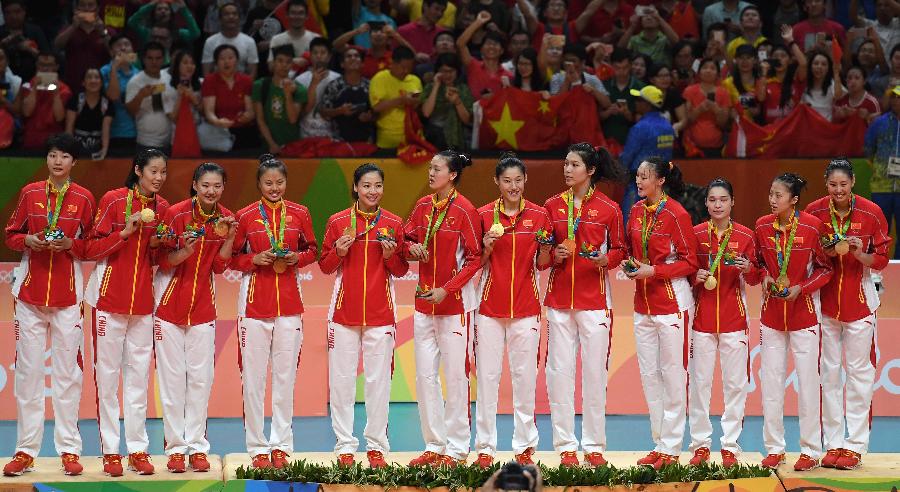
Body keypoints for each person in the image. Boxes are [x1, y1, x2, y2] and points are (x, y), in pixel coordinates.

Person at [2, 134, 95, 477]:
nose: (58, 161)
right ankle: (25, 451)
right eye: (53, 155)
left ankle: (69, 450)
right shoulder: (30, 193)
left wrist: (71, 244)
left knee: (68, 374)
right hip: (29, 295)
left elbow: (92, 245)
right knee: (28, 374)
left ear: (74, 162)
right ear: (47, 159)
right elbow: (11, 234)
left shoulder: (84, 198)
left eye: (64, 156)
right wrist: (28, 239)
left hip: (68, 297)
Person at [84, 148, 170, 476]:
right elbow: (91, 248)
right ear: (138, 171)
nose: (159, 177)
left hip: (143, 305)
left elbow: (158, 258)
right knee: (107, 380)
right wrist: (124, 232)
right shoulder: (114, 200)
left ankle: (137, 450)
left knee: (138, 380)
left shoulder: (163, 208)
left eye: (163, 172)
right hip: (108, 301)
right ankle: (110, 451)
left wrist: (162, 243)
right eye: (153, 171)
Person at [231, 155, 318, 469]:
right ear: (259, 184)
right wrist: (253, 260)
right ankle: (257, 447)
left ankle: (281, 445)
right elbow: (230, 259)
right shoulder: (245, 216)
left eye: (279, 182)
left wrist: (297, 258)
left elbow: (313, 250)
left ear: (286, 183)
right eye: (268, 183)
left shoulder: (300, 213)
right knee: (253, 381)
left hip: (289, 306)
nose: (274, 188)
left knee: (285, 379)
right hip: (254, 305)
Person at [319, 163, 409, 468]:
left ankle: (377, 447)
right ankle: (344, 446)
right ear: (356, 187)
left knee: (378, 383)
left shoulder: (394, 223)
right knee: (342, 382)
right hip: (343, 315)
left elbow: (401, 269)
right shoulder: (337, 222)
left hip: (381, 315)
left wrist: (390, 256)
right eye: (367, 185)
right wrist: (339, 252)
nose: (373, 191)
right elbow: (325, 266)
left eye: (378, 185)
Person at [805, 159, 891, 470]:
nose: (838, 190)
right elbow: (807, 256)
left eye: (843, 184)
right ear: (825, 184)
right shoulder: (814, 212)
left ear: (853, 182)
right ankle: (833, 443)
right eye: (833, 185)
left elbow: (881, 259)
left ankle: (855, 445)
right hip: (825, 305)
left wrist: (859, 253)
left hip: (860, 303)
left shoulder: (872, 212)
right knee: (828, 375)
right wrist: (825, 252)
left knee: (859, 375)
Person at [543, 144, 626, 468]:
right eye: (565, 163)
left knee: (594, 376)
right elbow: (542, 254)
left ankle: (593, 447)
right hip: (559, 301)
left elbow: (620, 249)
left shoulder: (609, 209)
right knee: (559, 375)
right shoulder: (551, 206)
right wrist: (554, 255)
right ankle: (565, 447)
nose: (567, 169)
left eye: (574, 165)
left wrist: (607, 259)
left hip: (595, 303)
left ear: (590, 171)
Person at [471, 153, 553, 468]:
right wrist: (486, 246)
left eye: (518, 180)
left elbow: (543, 264)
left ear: (525, 180)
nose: (513, 186)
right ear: (497, 182)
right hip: (489, 310)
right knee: (487, 380)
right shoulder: (482, 215)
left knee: (525, 380)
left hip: (527, 308)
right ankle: (485, 448)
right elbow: (475, 263)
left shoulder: (540, 215)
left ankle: (525, 446)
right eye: (507, 181)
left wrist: (546, 249)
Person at [154, 162, 235, 473]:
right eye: (205, 185)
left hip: (203, 309)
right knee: (172, 381)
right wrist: (183, 252)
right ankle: (176, 448)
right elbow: (161, 260)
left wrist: (229, 239)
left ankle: (198, 447)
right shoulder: (175, 214)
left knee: (201, 381)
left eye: (217, 186)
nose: (211, 191)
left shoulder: (226, 219)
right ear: (195, 186)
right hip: (168, 308)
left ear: (223, 188)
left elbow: (220, 267)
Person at [404, 150, 481, 467]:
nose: (431, 172)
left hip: (456, 308)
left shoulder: (465, 210)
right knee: (425, 378)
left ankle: (458, 448)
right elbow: (405, 239)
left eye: (437, 168)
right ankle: (434, 444)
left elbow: (475, 259)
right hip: (424, 305)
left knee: (456, 378)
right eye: (430, 168)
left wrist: (447, 289)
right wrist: (411, 247)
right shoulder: (422, 206)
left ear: (452, 175)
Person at [624, 157, 698, 469]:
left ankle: (671, 447)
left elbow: (690, 262)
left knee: (673, 376)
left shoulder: (677, 214)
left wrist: (653, 271)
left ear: (661, 180)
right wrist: (631, 266)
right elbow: (633, 251)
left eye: (645, 176)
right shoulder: (636, 211)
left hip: (672, 306)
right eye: (638, 176)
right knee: (650, 377)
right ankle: (659, 443)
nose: (639, 181)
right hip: (643, 305)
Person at [755, 173, 832, 471]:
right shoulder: (762, 225)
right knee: (771, 384)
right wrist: (765, 276)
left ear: (794, 199)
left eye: (779, 195)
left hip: (804, 316)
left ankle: (810, 450)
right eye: (771, 194)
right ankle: (774, 448)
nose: (772, 200)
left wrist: (803, 288)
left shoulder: (812, 227)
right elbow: (759, 263)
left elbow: (826, 269)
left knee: (809, 383)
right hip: (772, 316)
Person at [687, 178, 761, 467]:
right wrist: (695, 277)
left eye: (723, 200)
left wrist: (749, 268)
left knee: (735, 386)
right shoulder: (695, 235)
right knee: (699, 385)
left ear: (732, 203)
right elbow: (685, 272)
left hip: (734, 320)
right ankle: (700, 445)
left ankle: (730, 445)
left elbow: (755, 278)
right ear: (706, 203)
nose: (718, 205)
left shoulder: (746, 236)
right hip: (702, 321)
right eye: (712, 200)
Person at [620, 86, 675, 219]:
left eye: (639, 100)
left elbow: (627, 156)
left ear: (647, 104)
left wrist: (620, 172)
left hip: (638, 184)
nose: (636, 102)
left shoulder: (640, 127)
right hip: (660, 183)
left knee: (632, 220)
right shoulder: (668, 126)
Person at [865, 86, 900, 259]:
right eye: (894, 97)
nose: (896, 101)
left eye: (899, 97)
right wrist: (880, 169)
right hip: (881, 186)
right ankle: (878, 265)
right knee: (879, 231)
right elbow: (868, 149)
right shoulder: (879, 123)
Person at [201, 44, 256, 151]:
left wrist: (248, 116)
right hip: (217, 131)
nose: (226, 62)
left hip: (243, 130)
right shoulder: (209, 81)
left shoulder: (246, 80)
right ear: (216, 62)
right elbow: (209, 112)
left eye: (230, 58)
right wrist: (218, 122)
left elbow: (250, 111)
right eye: (222, 59)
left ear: (237, 61)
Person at [125, 42, 176, 153]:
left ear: (164, 59)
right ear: (143, 59)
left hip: (170, 142)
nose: (154, 62)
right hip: (146, 143)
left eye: (158, 58)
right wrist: (140, 95)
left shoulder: (169, 78)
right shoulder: (135, 81)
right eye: (150, 58)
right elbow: (131, 112)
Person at [15, 51, 72, 151]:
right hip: (31, 138)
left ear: (56, 67)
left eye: (49, 65)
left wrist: (56, 93)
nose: (45, 68)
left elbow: (59, 117)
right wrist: (34, 88)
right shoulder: (27, 86)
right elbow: (27, 112)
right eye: (42, 65)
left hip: (54, 140)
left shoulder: (64, 89)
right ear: (36, 65)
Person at [254, 45, 306, 153]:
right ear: (273, 63)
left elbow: (293, 119)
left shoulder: (299, 89)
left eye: (288, 62)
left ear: (292, 65)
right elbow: (260, 119)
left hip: (292, 145)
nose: (284, 65)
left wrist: (288, 94)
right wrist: (272, 144)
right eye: (280, 61)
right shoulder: (260, 85)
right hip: (267, 146)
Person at [370, 46, 422, 149]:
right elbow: (376, 107)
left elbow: (419, 109)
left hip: (414, 138)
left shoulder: (415, 80)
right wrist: (402, 100)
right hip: (388, 140)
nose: (406, 71)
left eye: (409, 68)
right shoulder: (380, 78)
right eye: (403, 67)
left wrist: (416, 102)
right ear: (392, 63)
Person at [52, 0, 111, 92]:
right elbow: (57, 45)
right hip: (73, 82)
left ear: (97, 9)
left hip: (99, 83)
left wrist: (102, 32)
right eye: (82, 5)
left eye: (90, 5)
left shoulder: (106, 30)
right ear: (76, 9)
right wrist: (73, 26)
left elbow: (114, 52)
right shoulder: (69, 29)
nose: (86, 9)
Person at [420, 53, 474, 150]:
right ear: (438, 71)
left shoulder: (463, 89)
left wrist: (457, 102)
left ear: (457, 71)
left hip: (456, 137)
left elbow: (466, 120)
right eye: (444, 71)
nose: (448, 75)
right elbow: (426, 113)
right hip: (433, 137)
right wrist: (436, 86)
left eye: (451, 71)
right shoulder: (430, 87)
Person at [321, 48, 375, 143]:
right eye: (349, 56)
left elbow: (378, 112)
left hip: (367, 141)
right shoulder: (334, 86)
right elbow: (323, 112)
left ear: (362, 64)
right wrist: (339, 111)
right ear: (342, 64)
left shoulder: (371, 86)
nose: (353, 58)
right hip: (339, 141)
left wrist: (370, 117)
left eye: (356, 56)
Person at [682, 58, 732, 156]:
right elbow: (686, 121)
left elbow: (724, 124)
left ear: (718, 74)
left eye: (712, 68)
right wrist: (699, 109)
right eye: (705, 68)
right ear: (699, 72)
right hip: (692, 146)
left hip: (716, 146)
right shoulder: (689, 91)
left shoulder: (724, 93)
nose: (708, 71)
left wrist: (716, 110)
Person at [758, 28, 808, 123]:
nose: (779, 59)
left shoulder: (796, 80)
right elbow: (761, 98)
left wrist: (791, 41)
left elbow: (803, 64)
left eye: (783, 56)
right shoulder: (764, 80)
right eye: (775, 56)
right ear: (770, 59)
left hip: (792, 128)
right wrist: (764, 73)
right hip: (771, 129)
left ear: (790, 60)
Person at [457, 12, 511, 99]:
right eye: (488, 43)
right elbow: (460, 44)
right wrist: (478, 22)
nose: (491, 46)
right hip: (472, 107)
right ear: (481, 49)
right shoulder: (473, 65)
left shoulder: (508, 75)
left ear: (502, 51)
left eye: (495, 44)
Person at [295, 38, 341, 139]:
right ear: (310, 56)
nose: (319, 56)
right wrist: (314, 83)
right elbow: (299, 114)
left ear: (329, 56)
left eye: (323, 53)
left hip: (332, 136)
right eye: (315, 53)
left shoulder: (338, 79)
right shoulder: (300, 80)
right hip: (306, 136)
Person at [65, 67, 113, 160]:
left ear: (101, 82)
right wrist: (69, 150)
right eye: (89, 77)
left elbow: (106, 128)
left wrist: (104, 150)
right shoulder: (75, 100)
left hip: (97, 146)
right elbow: (69, 126)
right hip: (76, 145)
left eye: (96, 77)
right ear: (83, 82)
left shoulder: (107, 103)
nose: (93, 81)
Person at [101, 34, 138, 150]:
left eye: (127, 44)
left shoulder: (138, 73)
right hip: (113, 133)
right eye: (118, 45)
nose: (123, 48)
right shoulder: (104, 71)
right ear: (111, 52)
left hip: (137, 133)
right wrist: (114, 68)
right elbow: (113, 96)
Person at [201, 3, 259, 78]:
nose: (231, 17)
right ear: (220, 19)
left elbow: (252, 72)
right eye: (226, 14)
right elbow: (206, 73)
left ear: (239, 19)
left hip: (242, 84)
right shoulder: (210, 42)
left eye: (234, 14)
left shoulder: (249, 42)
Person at [601, 48, 643, 150]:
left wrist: (628, 115)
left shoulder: (640, 87)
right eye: (617, 68)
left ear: (631, 66)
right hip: (606, 140)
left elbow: (644, 120)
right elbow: (596, 117)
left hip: (632, 141)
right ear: (611, 65)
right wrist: (608, 112)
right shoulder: (603, 86)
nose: (621, 71)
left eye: (625, 67)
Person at [0, 0, 50, 82]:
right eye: (8, 13)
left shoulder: (35, 30)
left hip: (33, 80)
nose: (13, 16)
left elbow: (47, 58)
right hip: (4, 81)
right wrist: (4, 45)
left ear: (24, 12)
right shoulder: (1, 33)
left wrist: (30, 49)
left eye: (17, 12)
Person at [268, 0, 320, 72]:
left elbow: (322, 64)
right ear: (287, 15)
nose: (297, 17)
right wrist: (291, 62)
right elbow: (271, 67)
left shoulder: (316, 38)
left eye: (300, 13)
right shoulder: (277, 39)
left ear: (307, 16)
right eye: (293, 13)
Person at [127, 0, 201, 47]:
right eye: (159, 9)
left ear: (171, 14)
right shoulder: (146, 32)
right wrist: (150, 6)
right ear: (154, 14)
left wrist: (184, 10)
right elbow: (132, 22)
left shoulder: (177, 33)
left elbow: (195, 34)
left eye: (166, 9)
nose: (163, 11)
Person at [723, 44, 763, 121]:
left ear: (755, 60)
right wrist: (730, 113)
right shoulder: (727, 83)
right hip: (737, 126)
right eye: (741, 58)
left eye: (748, 58)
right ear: (736, 60)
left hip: (757, 126)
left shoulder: (761, 83)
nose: (745, 61)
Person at [802, 50, 844, 121]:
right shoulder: (804, 84)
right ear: (810, 66)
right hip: (807, 124)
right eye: (816, 63)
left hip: (826, 124)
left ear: (828, 68)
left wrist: (836, 73)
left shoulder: (832, 84)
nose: (819, 67)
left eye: (824, 64)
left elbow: (838, 95)